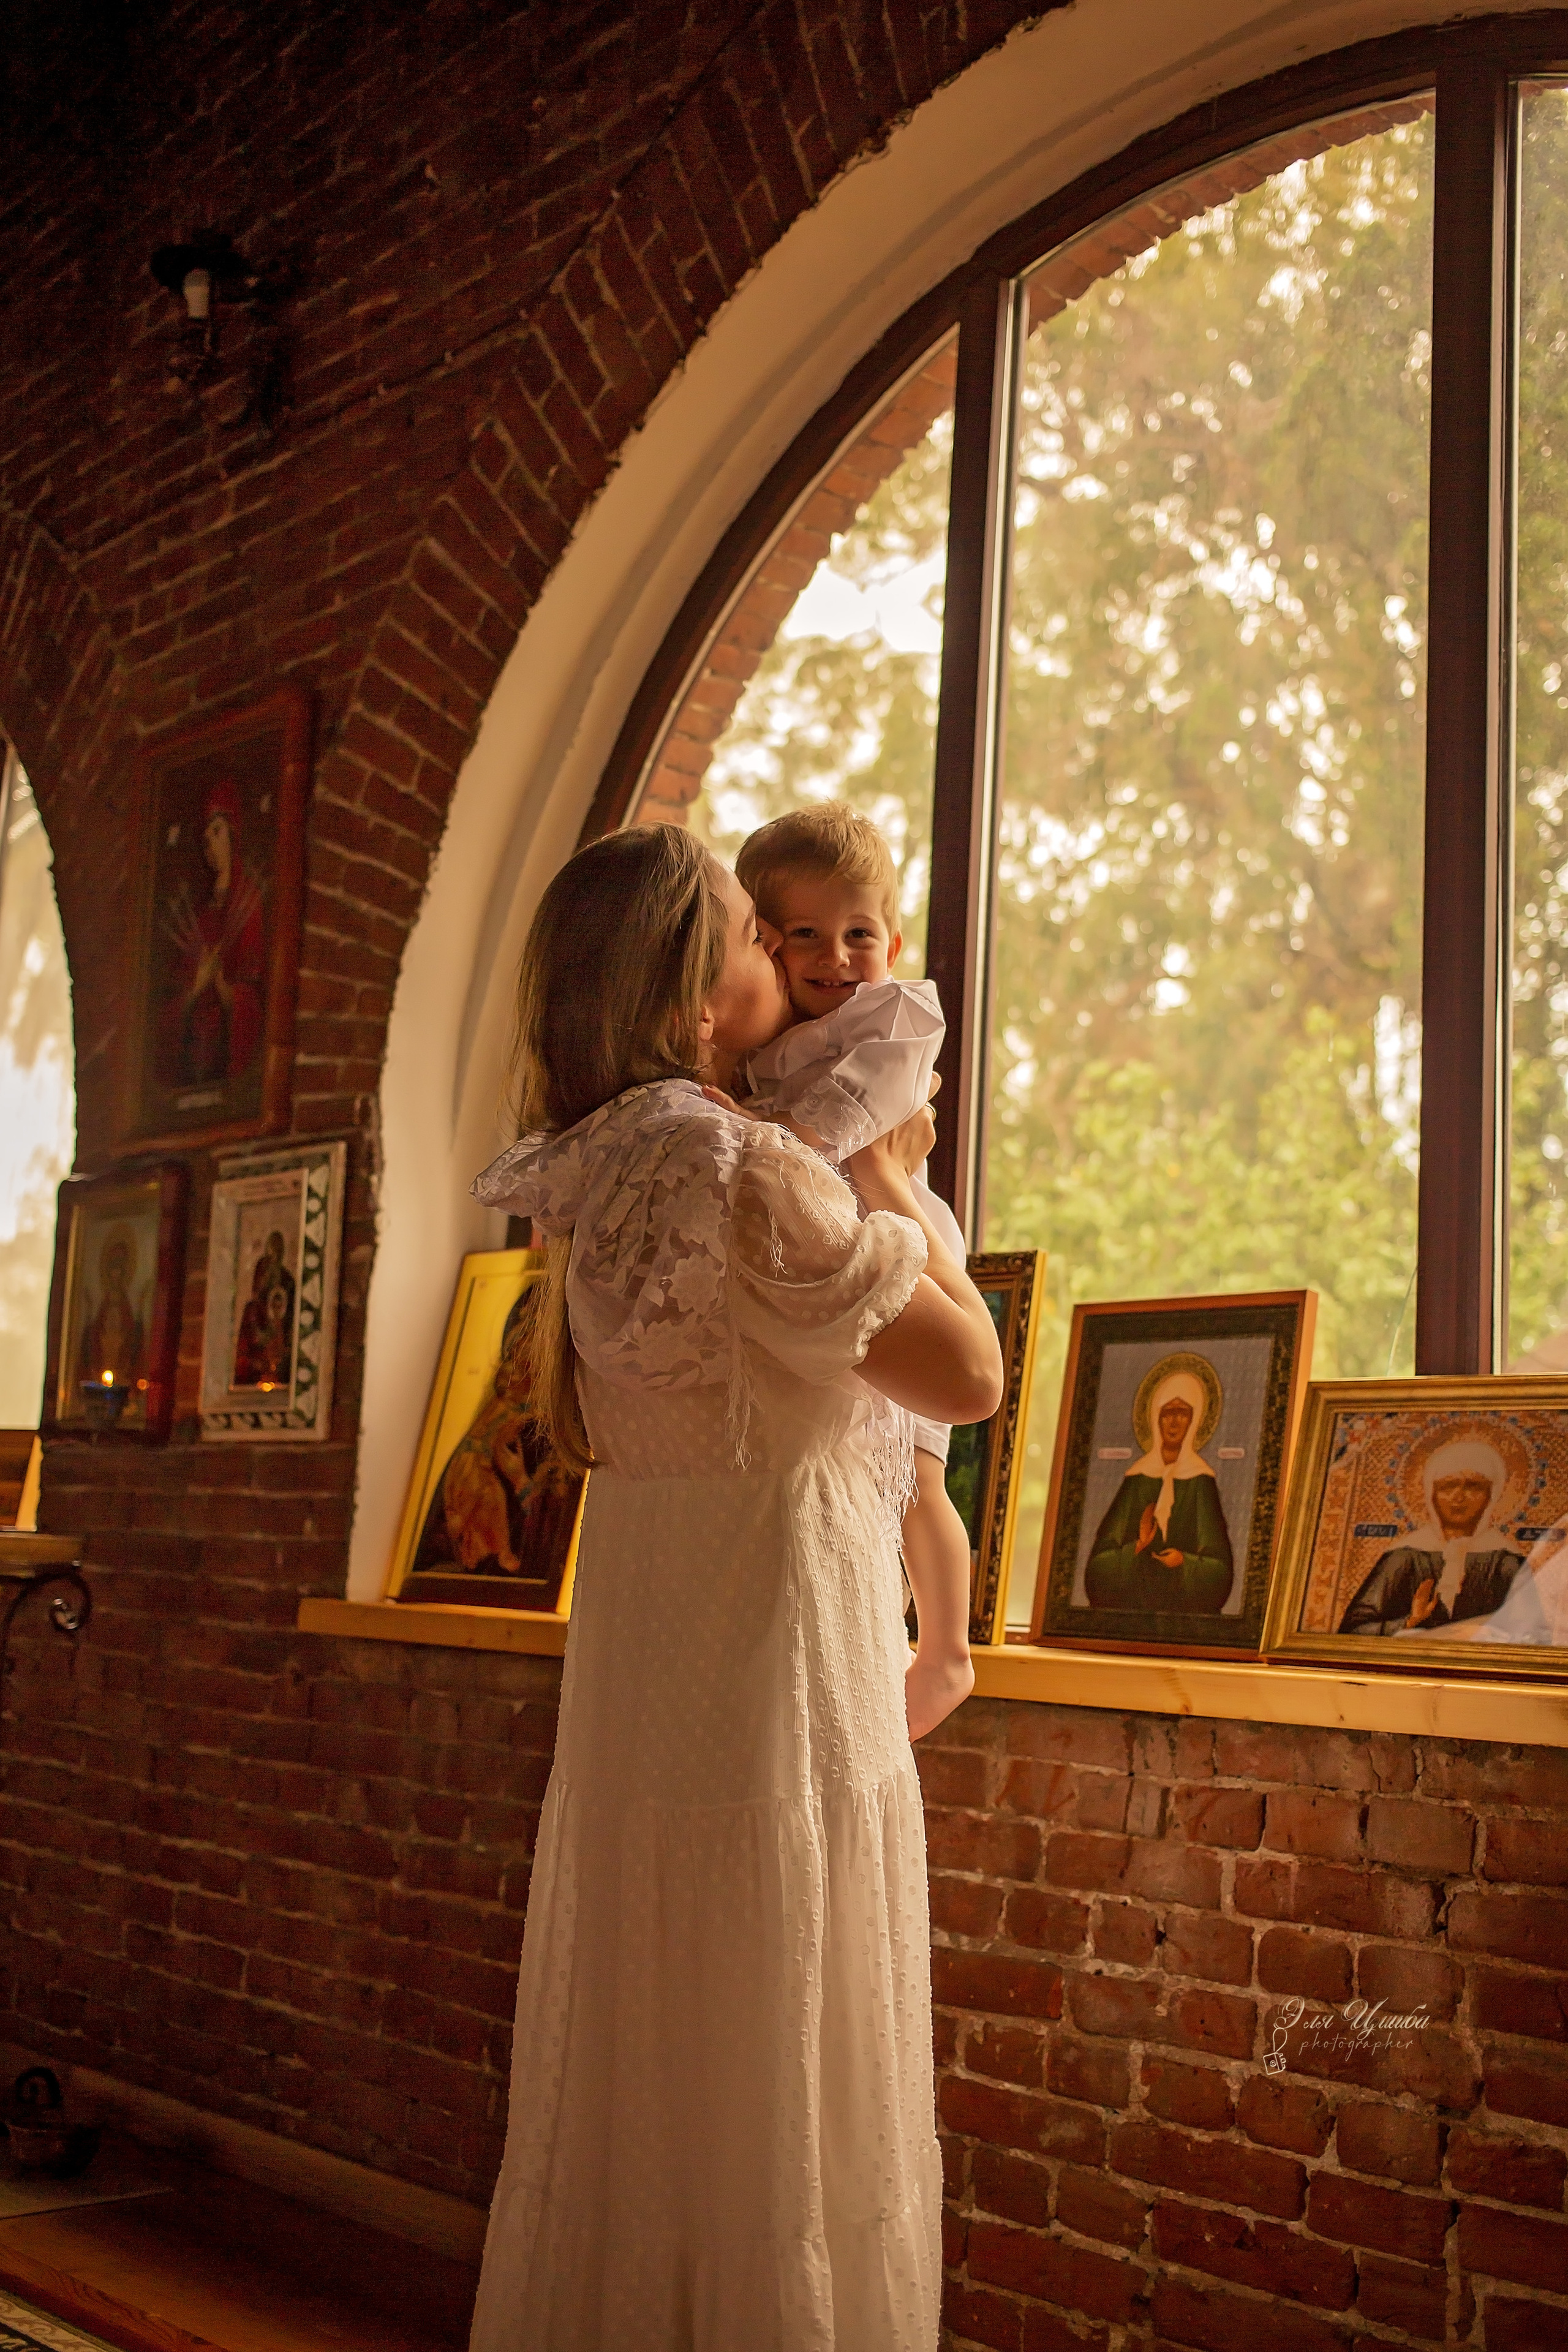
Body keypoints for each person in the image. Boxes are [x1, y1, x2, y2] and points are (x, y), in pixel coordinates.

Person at [466, 824, 1002, 2352]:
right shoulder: (743, 1163)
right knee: (777, 2059)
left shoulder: (585, 1169)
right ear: (699, 990)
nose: (789, 957)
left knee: (660, 2071)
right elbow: (966, 1379)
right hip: (783, 1670)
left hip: (651, 1678)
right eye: (753, 937)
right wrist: (895, 1179)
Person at [734, 803, 977, 1740]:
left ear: (894, 939)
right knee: (861, 1453)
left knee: (917, 1469)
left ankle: (948, 1645)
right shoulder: (771, 1040)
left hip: (903, 1232)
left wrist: (760, 1131)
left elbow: (846, 1123)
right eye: (806, 936)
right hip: (833, 1241)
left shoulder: (896, 1016)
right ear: (764, 942)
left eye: (859, 933)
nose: (837, 957)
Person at [1083, 1364, 1234, 1613]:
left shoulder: (1201, 1481)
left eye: (1183, 1413)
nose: (1174, 1422)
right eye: (1167, 1413)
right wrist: (1137, 1548)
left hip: (1185, 1614)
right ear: (1155, 1418)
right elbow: (1098, 1567)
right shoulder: (1137, 1478)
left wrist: (1184, 1562)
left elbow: (1219, 1570)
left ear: (1195, 1420)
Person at [1340, 1438, 1526, 1634]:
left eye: (1473, 1486)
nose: (1459, 1497)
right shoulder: (1404, 1557)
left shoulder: (1507, 1562)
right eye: (1448, 1486)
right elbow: (1354, 1630)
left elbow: (1534, 1636)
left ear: (1491, 1495)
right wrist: (1409, 1622)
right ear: (1432, 1493)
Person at [160, 779, 266, 1091]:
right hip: (195, 1047)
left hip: (224, 1042)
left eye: (216, 831)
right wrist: (195, 987)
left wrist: (221, 986)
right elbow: (176, 991)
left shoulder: (250, 903)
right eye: (205, 834)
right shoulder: (200, 914)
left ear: (233, 835)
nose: (208, 841)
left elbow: (255, 990)